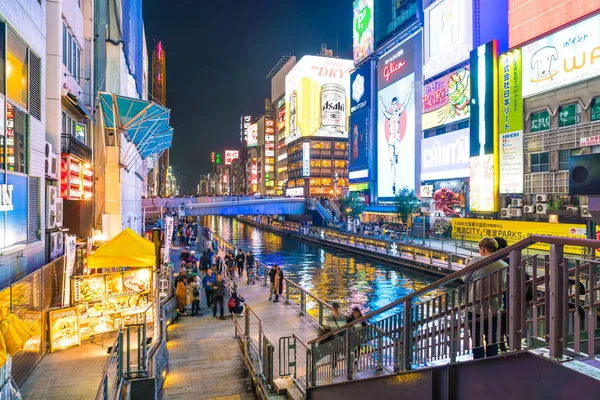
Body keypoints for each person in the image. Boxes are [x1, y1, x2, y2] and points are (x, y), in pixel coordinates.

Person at [462, 237, 507, 360]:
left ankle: (479, 362)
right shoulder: (504, 264)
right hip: (495, 306)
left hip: (475, 306)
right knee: (492, 337)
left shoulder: (476, 260)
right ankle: (491, 362)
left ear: (482, 249)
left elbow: (465, 279)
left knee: (477, 338)